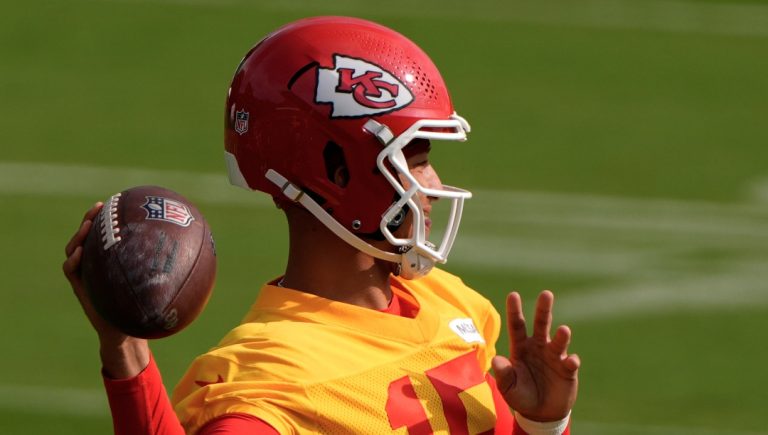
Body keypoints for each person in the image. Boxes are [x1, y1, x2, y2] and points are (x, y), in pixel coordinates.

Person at [63, 16, 580, 434]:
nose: (433, 180)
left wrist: (544, 425)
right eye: (415, 157)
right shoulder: (272, 384)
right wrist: (127, 352)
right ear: (335, 172)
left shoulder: (455, 305)